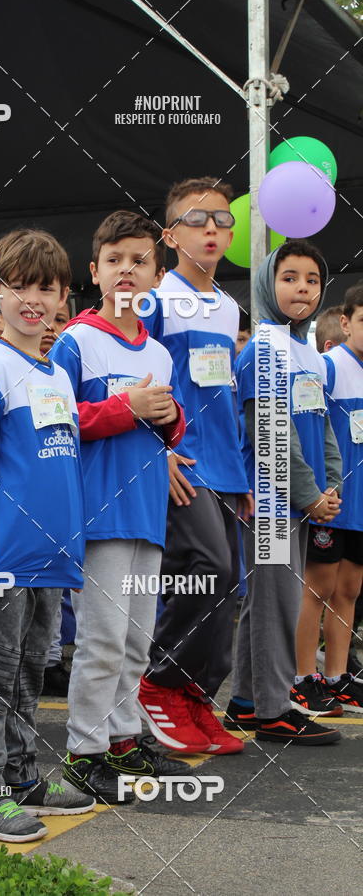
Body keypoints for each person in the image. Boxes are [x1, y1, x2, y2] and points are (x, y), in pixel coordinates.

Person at [0, 229, 95, 843]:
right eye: (19, 287)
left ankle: (21, 775)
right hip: (6, 558)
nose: (32, 300)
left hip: (53, 557)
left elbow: (62, 466)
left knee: (34, 667)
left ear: (65, 297)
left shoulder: (57, 373)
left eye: (47, 288)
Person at [52, 210, 190, 804]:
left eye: (139, 261)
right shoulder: (75, 341)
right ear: (95, 271)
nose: (126, 271)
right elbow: (52, 420)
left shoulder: (159, 352)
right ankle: (84, 753)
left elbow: (173, 427)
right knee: (103, 638)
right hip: (98, 515)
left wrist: (170, 418)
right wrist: (127, 407)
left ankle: (123, 740)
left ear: (157, 276)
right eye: (114, 260)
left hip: (144, 513)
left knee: (135, 639)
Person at [136, 177, 252, 755]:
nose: (213, 229)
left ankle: (196, 696)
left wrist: (246, 477)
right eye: (199, 219)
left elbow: (223, 394)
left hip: (226, 468)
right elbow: (137, 376)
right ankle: (159, 682)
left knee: (227, 585)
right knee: (209, 570)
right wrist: (160, 453)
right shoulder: (156, 301)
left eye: (223, 220)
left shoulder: (230, 306)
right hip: (185, 464)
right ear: (171, 234)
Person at [225, 240, 343, 745]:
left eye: (312, 280)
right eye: (289, 277)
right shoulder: (263, 348)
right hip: (272, 500)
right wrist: (310, 493)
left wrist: (330, 486)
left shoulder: (309, 354)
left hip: (301, 499)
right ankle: (274, 709)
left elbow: (325, 427)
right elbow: (270, 432)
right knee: (277, 602)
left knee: (269, 601)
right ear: (267, 286)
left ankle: (247, 702)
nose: (302, 288)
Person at [294, 283, 363, 712]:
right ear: (347, 321)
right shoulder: (329, 366)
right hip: (331, 500)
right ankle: (302, 677)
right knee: (316, 588)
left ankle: (338, 675)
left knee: (350, 588)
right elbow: (308, 427)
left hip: (360, 505)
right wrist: (317, 489)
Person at [40, 297, 73, 697]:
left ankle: (52, 660)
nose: (51, 325)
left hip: (66, 496)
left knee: (60, 588)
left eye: (61, 319)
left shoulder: (65, 374)